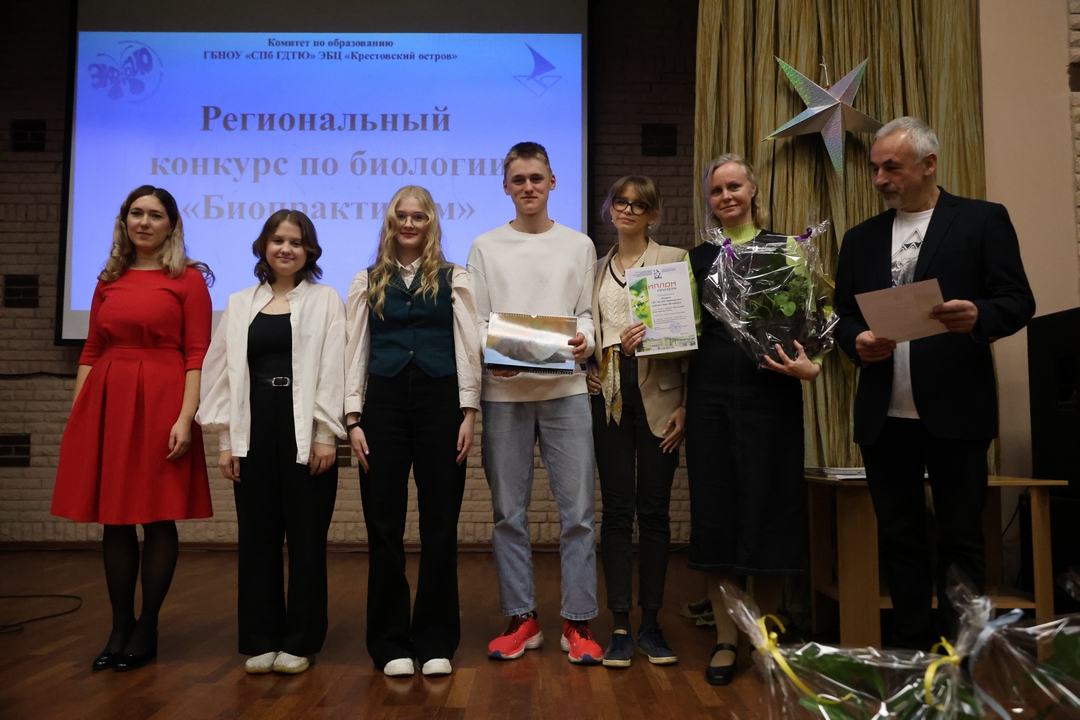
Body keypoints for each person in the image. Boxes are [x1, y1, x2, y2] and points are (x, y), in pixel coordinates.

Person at [834, 117, 1035, 649]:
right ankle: (909, 653)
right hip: (884, 415)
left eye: (891, 168)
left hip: (957, 408)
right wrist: (856, 340)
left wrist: (980, 315)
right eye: (875, 168)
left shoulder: (982, 220)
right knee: (899, 538)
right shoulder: (860, 238)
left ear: (929, 164)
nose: (880, 179)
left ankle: (960, 657)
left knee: (961, 540)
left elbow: (1018, 301)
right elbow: (842, 315)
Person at [51, 185, 214, 672]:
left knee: (157, 515)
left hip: (163, 400)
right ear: (125, 221)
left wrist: (185, 418)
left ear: (171, 225)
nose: (144, 222)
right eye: (136, 213)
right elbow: (90, 350)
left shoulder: (188, 280)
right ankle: (120, 624)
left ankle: (148, 626)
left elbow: (197, 355)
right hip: (109, 400)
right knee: (116, 518)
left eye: (155, 215)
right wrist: (80, 415)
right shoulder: (108, 279)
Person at [686, 154, 821, 685]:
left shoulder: (787, 250)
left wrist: (811, 363)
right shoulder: (697, 259)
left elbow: (808, 325)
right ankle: (725, 639)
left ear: (753, 190)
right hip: (709, 398)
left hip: (773, 396)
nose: (726, 196)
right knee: (716, 514)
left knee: (771, 512)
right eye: (717, 190)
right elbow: (683, 333)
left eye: (734, 186)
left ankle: (764, 640)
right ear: (709, 199)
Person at [468, 141, 603, 665]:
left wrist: (586, 341)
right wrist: (491, 353)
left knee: (579, 514)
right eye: (519, 179)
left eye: (536, 178)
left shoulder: (579, 245)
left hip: (567, 392)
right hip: (504, 394)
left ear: (552, 183)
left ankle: (578, 622)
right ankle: (522, 619)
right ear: (506, 187)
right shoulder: (485, 246)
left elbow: (586, 314)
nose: (528, 187)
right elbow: (477, 320)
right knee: (509, 514)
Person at [198, 209, 344, 676]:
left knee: (306, 539)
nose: (286, 249)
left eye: (296, 242)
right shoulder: (240, 302)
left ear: (309, 251)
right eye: (278, 240)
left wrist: (325, 434)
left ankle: (300, 641)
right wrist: (226, 441)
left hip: (304, 428)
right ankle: (261, 639)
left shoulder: (326, 299)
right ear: (264, 246)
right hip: (253, 426)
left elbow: (334, 368)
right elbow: (221, 373)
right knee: (257, 538)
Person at [344, 186, 482, 678]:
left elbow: (467, 346)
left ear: (430, 223)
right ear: (389, 222)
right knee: (384, 528)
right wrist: (353, 418)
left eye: (418, 216)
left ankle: (436, 640)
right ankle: (390, 644)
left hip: (440, 405)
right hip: (381, 408)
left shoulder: (454, 277)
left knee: (440, 526)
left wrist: (469, 412)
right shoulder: (367, 280)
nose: (408, 224)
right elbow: (355, 350)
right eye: (400, 216)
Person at [583, 176, 694, 668]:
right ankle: (620, 625)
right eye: (621, 202)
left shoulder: (673, 259)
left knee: (653, 512)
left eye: (639, 205)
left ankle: (652, 623)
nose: (627, 210)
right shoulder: (594, 268)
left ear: (653, 214)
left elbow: (688, 339)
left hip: (660, 398)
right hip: (607, 395)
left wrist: (686, 404)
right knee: (614, 512)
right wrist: (589, 366)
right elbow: (589, 330)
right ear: (610, 208)